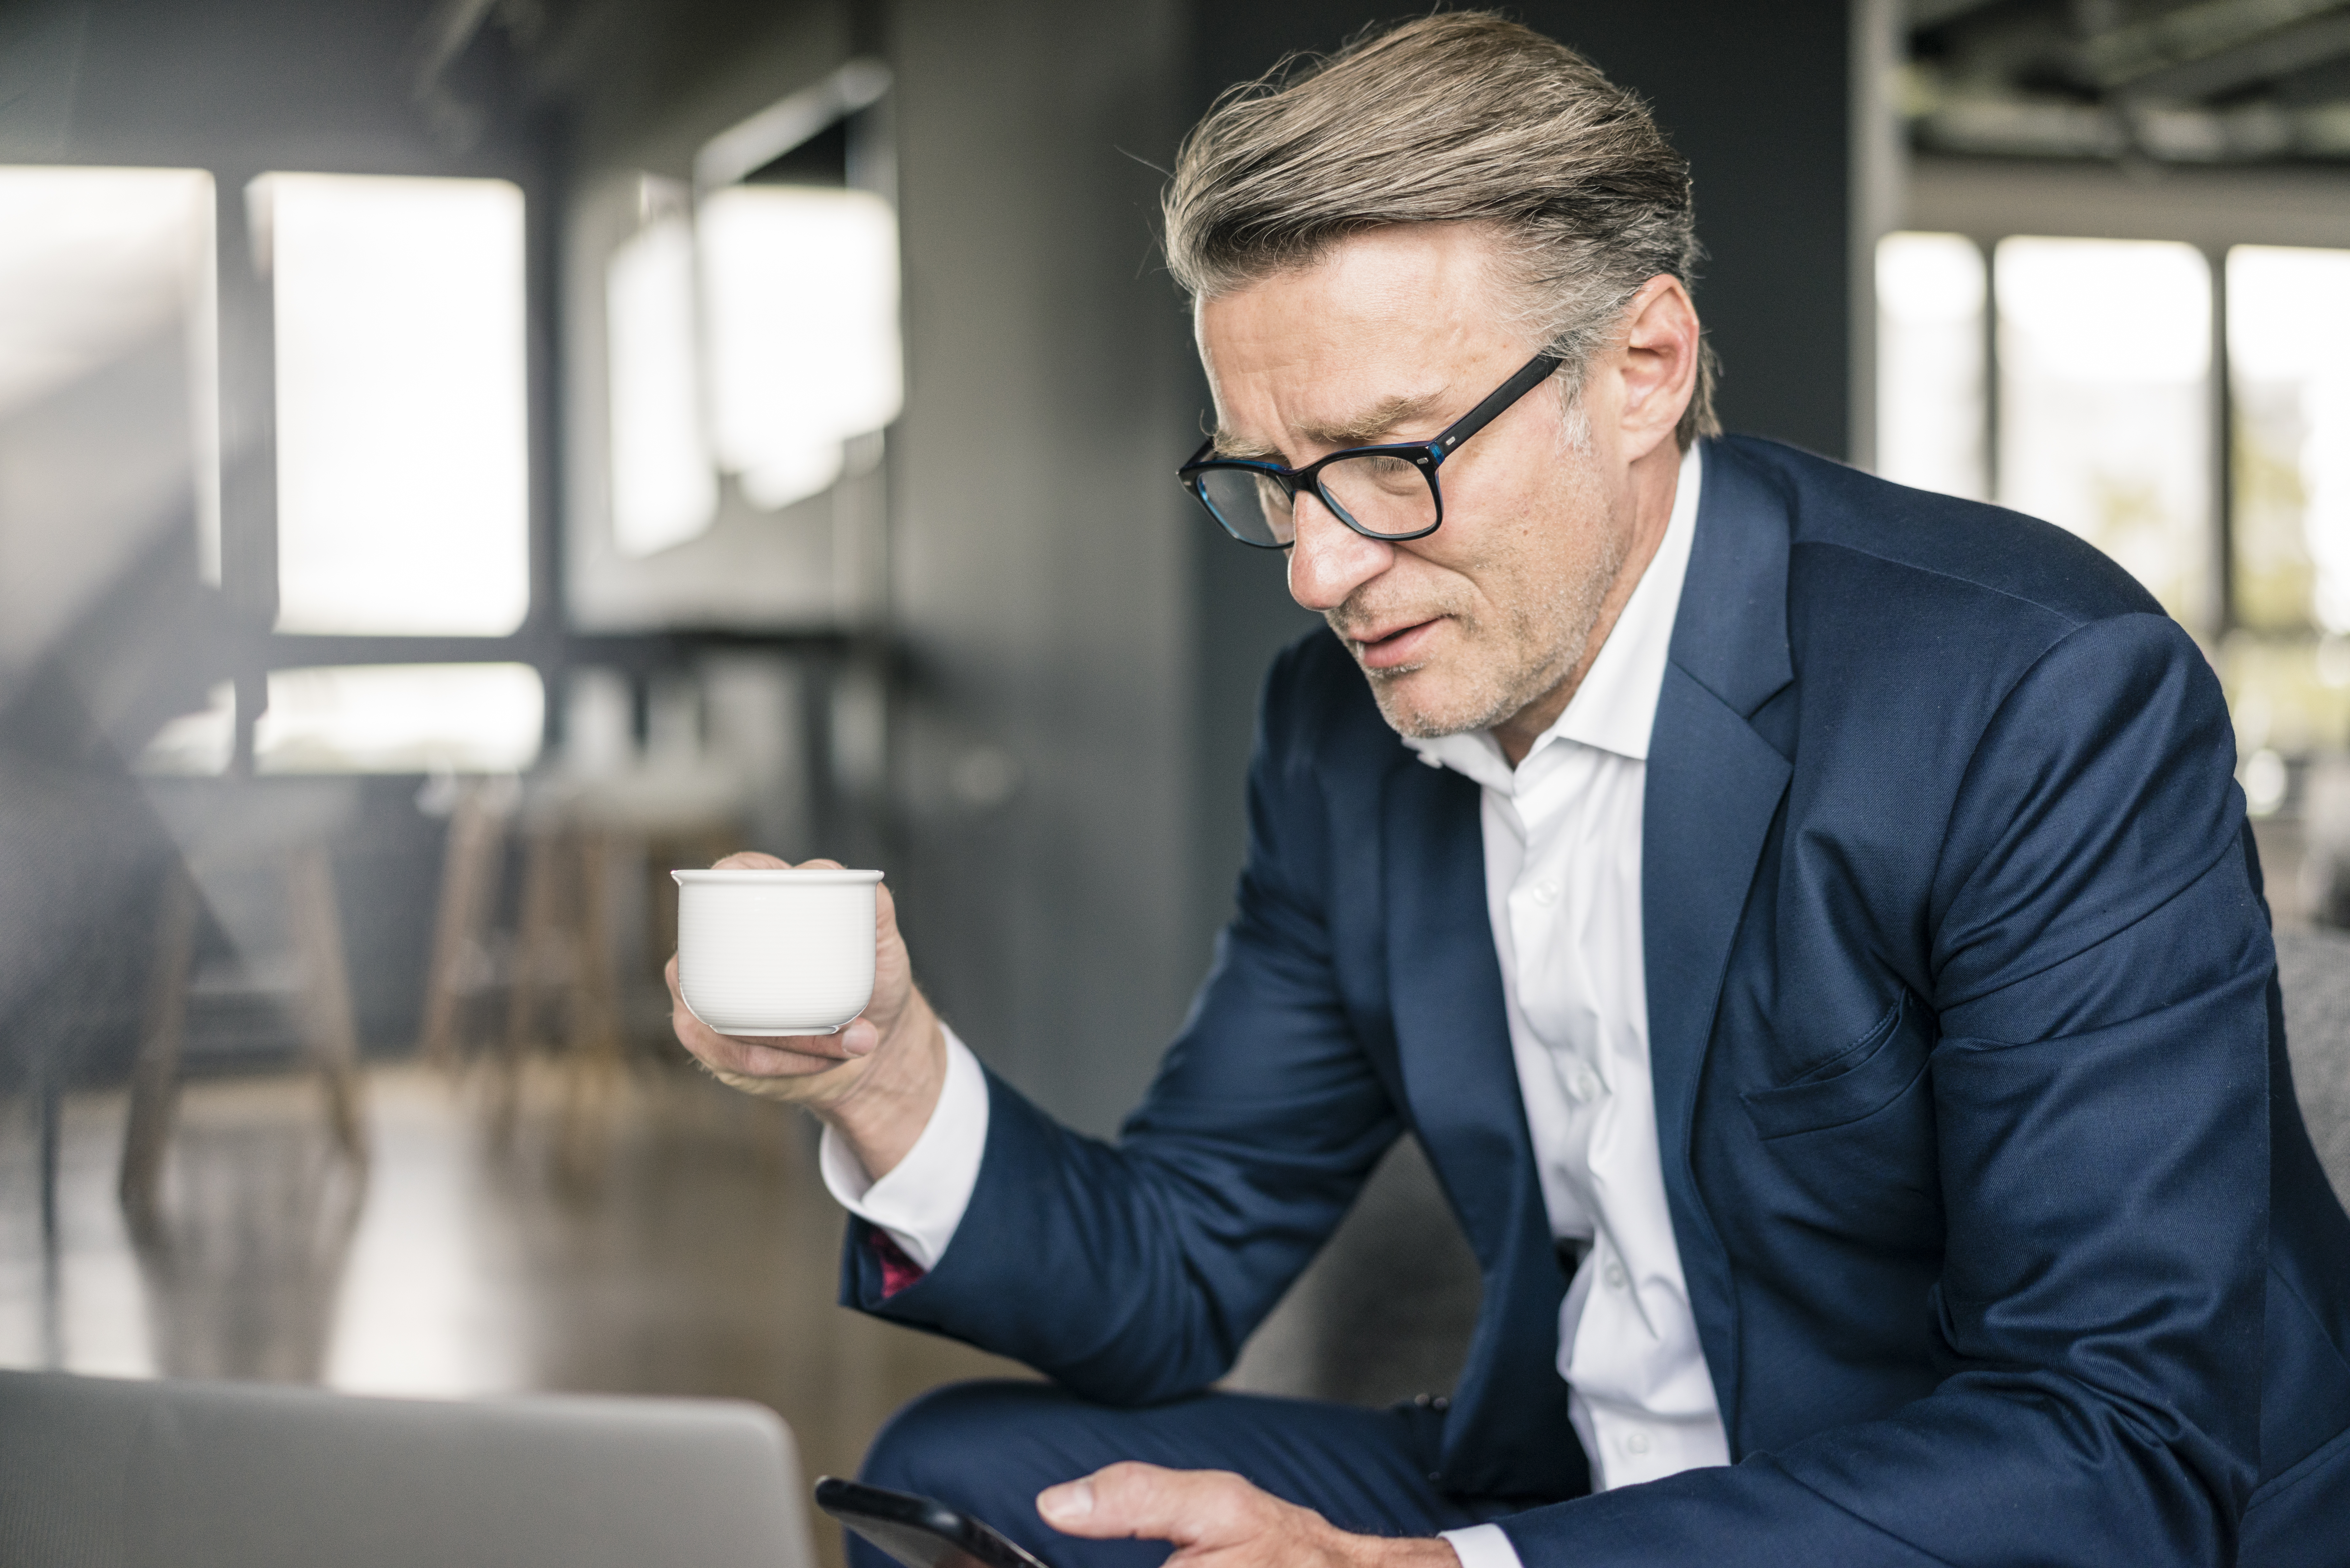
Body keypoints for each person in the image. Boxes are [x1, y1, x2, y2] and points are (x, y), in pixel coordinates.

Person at [671, 14, 2350, 1567]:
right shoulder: (1341, 737)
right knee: (971, 1475)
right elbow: (1176, 1267)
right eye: (1271, 480)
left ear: (1643, 368)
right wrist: (884, 1080)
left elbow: (2116, 1444)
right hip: (1579, 1493)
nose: (1320, 570)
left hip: (1943, 1521)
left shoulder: (2034, 692)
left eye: (1394, 463)